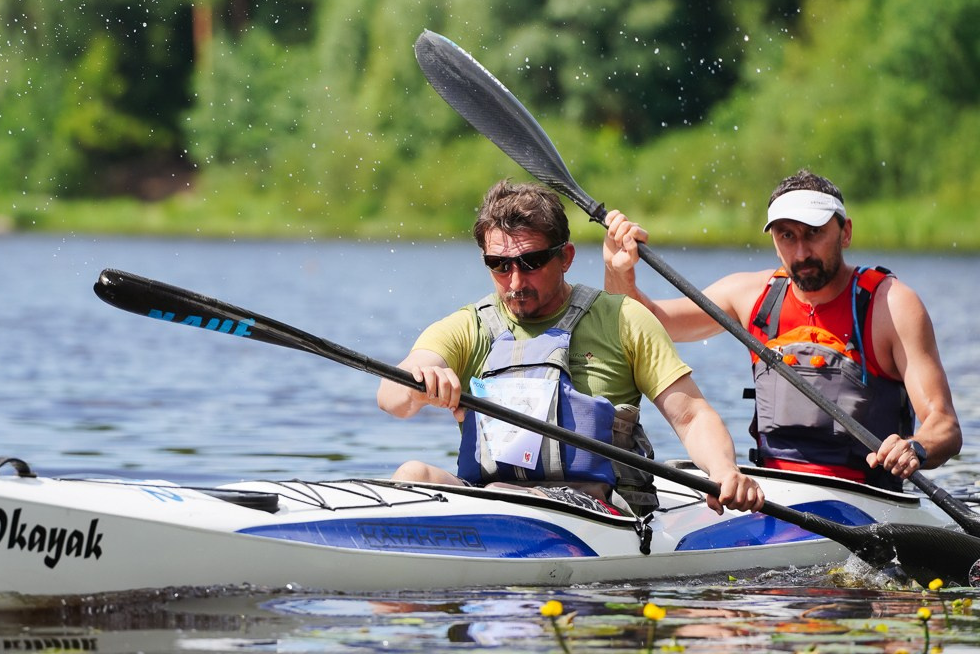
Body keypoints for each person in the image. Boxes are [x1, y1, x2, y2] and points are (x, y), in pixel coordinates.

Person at [376, 179, 765, 517]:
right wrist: (420, 380)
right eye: (499, 264)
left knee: (500, 495)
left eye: (530, 262)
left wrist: (723, 470)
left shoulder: (623, 319)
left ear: (566, 257)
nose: (514, 282)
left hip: (602, 512)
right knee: (413, 474)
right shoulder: (470, 326)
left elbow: (692, 417)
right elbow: (392, 396)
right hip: (495, 503)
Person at [603, 169, 962, 490]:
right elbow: (642, 322)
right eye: (787, 236)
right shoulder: (750, 295)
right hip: (772, 491)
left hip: (867, 497)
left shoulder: (892, 305)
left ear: (846, 232)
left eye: (815, 233)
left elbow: (944, 425)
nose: (802, 251)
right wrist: (619, 271)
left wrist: (915, 447)